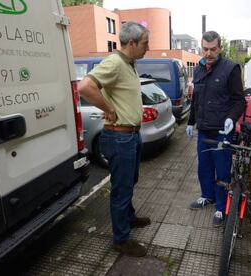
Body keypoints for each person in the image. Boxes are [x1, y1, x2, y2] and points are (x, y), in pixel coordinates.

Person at [78, 22, 150, 257]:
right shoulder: (115, 62)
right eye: (144, 43)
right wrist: (108, 108)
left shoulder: (129, 64)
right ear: (132, 43)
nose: (147, 48)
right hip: (120, 137)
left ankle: (128, 218)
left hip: (131, 135)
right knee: (121, 188)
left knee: (130, 181)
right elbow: (85, 86)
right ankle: (121, 239)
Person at [186, 31, 245, 226]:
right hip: (203, 130)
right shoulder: (199, 69)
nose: (208, 53)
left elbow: (239, 100)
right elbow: (196, 99)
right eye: (205, 49)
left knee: (221, 171)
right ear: (201, 48)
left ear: (220, 48)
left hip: (222, 132)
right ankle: (207, 196)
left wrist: (231, 118)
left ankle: (221, 207)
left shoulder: (231, 69)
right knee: (204, 167)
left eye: (213, 49)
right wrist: (189, 122)